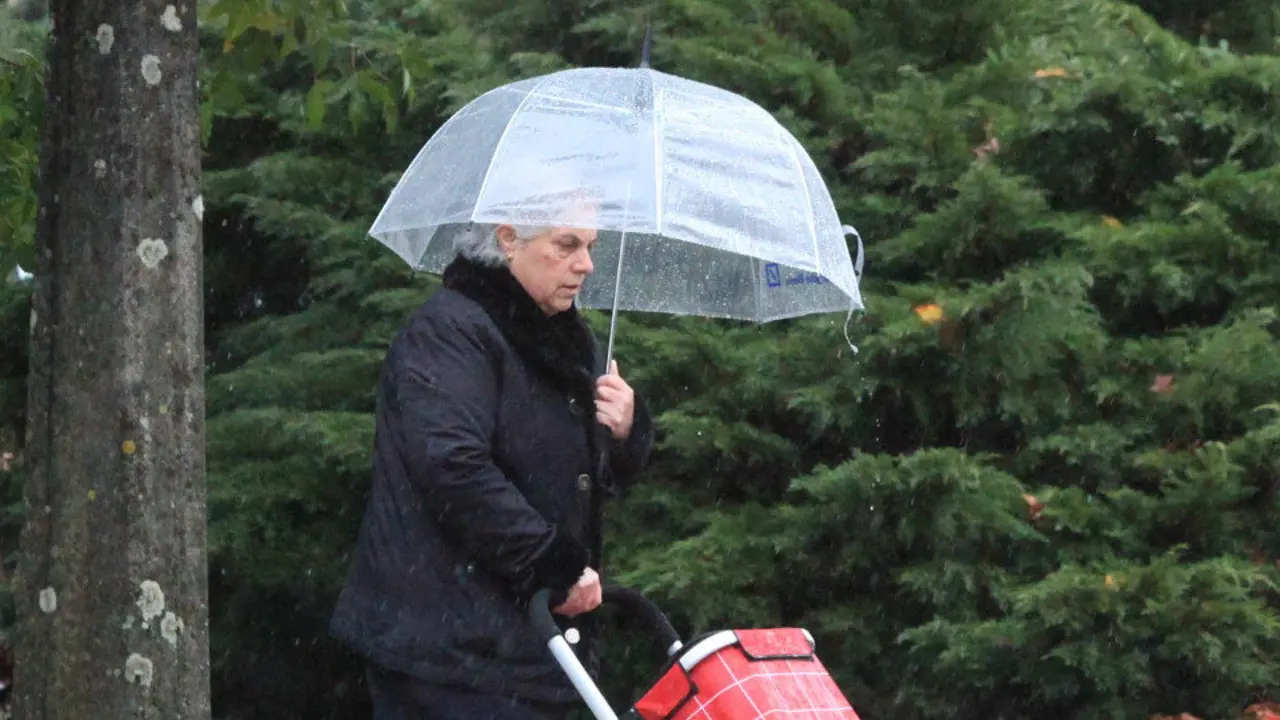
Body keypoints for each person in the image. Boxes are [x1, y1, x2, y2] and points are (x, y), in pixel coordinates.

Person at [329, 213, 654, 720]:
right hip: (447, 651)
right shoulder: (447, 332)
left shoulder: (570, 341)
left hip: (534, 649)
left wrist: (626, 429)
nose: (586, 264)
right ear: (507, 239)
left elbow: (579, 479)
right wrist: (556, 566)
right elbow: (453, 470)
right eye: (566, 245)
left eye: (590, 245)